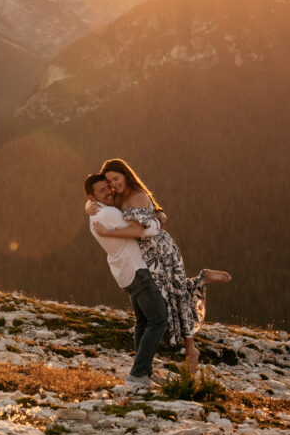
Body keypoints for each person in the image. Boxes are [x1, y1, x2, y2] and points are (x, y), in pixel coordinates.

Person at [93, 158, 231, 374]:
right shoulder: (119, 197)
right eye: (109, 181)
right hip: (145, 256)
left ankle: (190, 350)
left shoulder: (137, 195)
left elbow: (137, 231)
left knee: (175, 296)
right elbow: (103, 204)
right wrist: (90, 204)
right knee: (166, 298)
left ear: (126, 175)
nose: (113, 184)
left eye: (116, 178)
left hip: (161, 252)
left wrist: (107, 233)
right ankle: (201, 281)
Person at [84, 172, 167, 389]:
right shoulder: (109, 214)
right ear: (92, 197)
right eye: (103, 191)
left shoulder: (95, 214)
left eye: (108, 187)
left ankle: (144, 371)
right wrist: (158, 221)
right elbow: (140, 230)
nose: (109, 192)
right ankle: (138, 374)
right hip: (137, 270)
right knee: (158, 320)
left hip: (124, 272)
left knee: (142, 321)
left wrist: (87, 205)